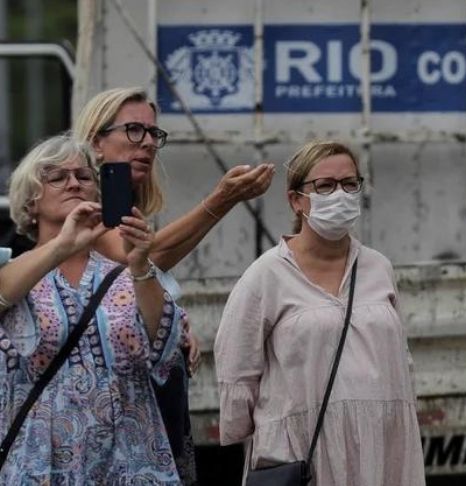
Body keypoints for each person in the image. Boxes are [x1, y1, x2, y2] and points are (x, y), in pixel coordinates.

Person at [72, 86, 275, 483]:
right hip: (110, 412)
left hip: (147, 401)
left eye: (152, 134)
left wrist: (172, 321)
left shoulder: (125, 205)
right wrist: (221, 199)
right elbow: (137, 259)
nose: (147, 143)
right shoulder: (82, 204)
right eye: (133, 130)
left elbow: (141, 278)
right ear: (96, 142)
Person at [214, 141, 426, 486]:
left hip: (383, 448)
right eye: (325, 186)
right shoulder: (266, 275)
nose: (339, 195)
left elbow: (402, 360)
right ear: (296, 200)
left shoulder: (379, 267)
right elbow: (237, 369)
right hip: (303, 453)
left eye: (349, 184)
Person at [0, 135, 183, 483]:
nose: (73, 183)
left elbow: (165, 347)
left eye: (84, 177)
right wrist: (61, 246)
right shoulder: (13, 272)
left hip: (131, 463)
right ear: (30, 202)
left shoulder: (125, 272)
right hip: (41, 465)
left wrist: (141, 264)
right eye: (57, 177)